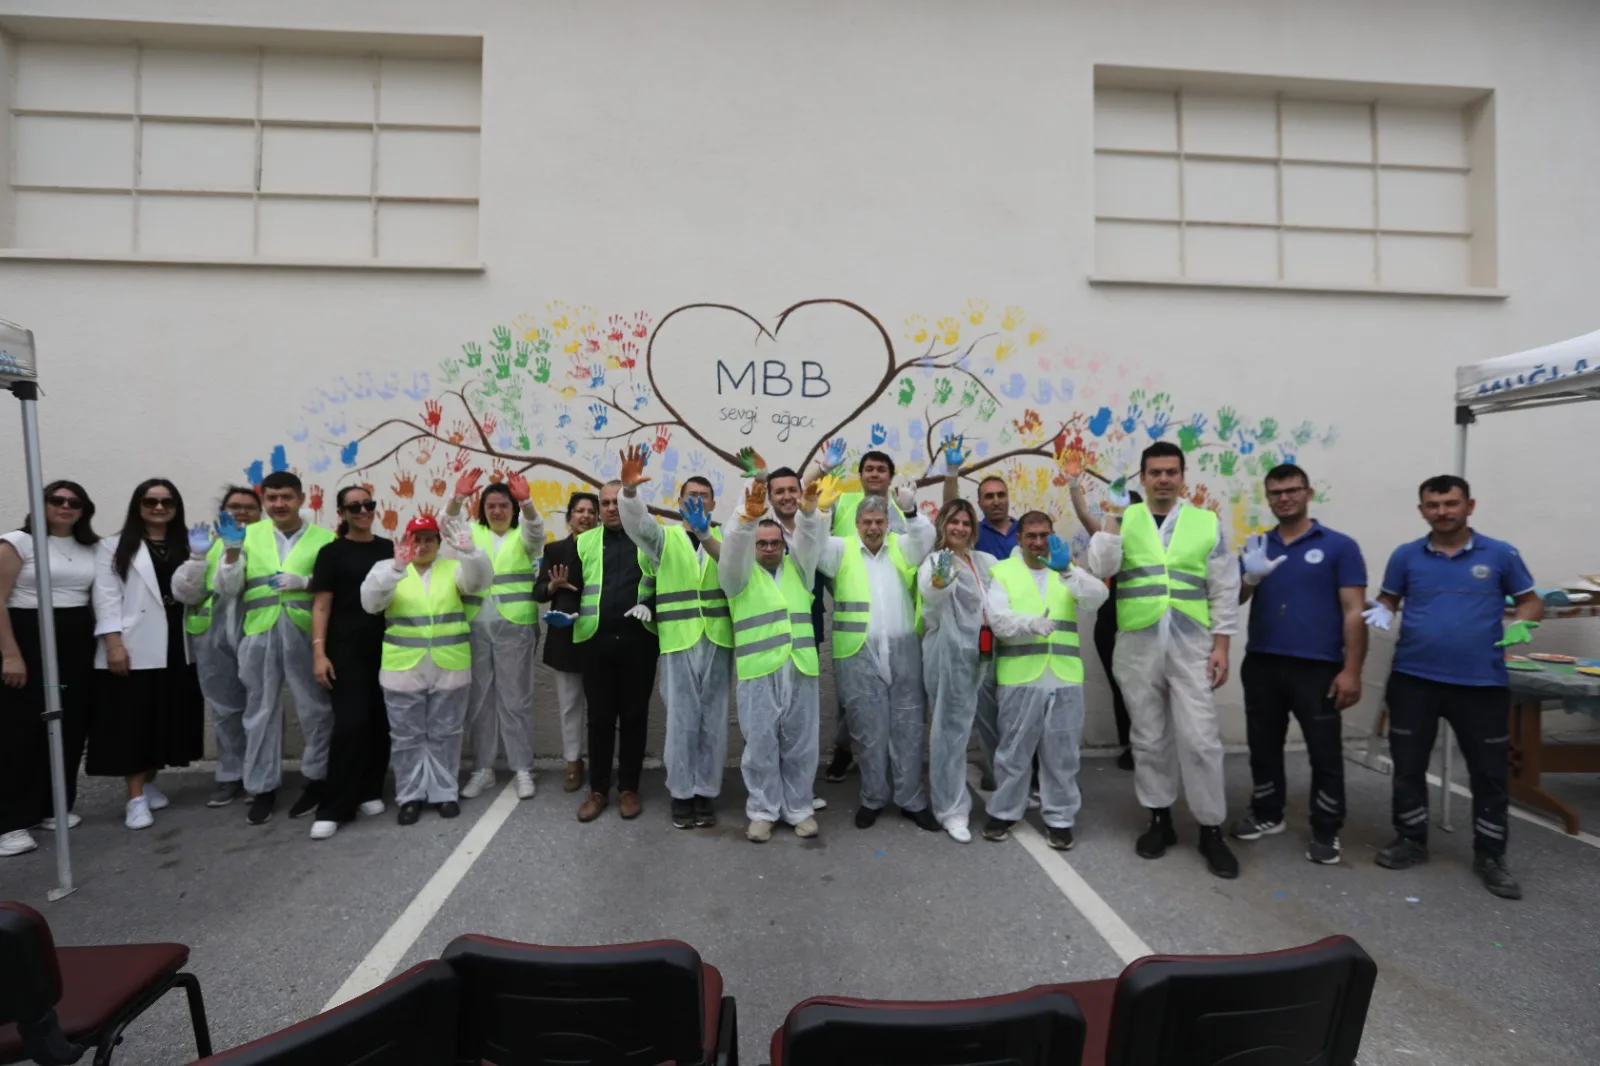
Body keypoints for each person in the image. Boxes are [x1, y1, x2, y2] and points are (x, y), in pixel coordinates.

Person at [1364, 474, 1541, 900]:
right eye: (1433, 505)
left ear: (1469, 506)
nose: (1442, 512)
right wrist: (1381, 610)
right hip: (1414, 680)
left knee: (1489, 773)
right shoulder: (1405, 555)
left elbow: (1530, 601)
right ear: (1422, 510)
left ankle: (1491, 855)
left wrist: (1524, 623)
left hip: (1480, 683)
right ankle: (1410, 839)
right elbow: (1389, 598)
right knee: (1408, 766)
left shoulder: (1500, 554)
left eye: (1450, 503)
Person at [1086, 441, 1241, 879]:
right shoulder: (1126, 517)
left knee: (1201, 738)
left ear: (1182, 476)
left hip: (1192, 645)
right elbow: (1101, 566)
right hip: (1138, 643)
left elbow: (1224, 587)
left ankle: (1211, 829)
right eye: (1155, 472)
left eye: (1171, 471)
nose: (1163, 479)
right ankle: (1160, 820)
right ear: (1143, 477)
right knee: (1149, 737)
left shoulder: (1204, 522)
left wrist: (1222, 646)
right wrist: (1112, 516)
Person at [1230, 464, 1367, 865]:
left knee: (1324, 751)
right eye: (1276, 493)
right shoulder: (1258, 546)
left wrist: (1352, 670)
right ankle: (1267, 813)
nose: (1284, 498)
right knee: (1263, 746)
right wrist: (1249, 578)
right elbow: (1233, 600)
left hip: (1318, 667)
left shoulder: (1340, 546)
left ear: (1308, 493)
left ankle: (1326, 829)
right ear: (1268, 498)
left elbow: (1354, 611)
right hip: (1263, 661)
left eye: (1291, 490)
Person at [214, 471, 336, 826]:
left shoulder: (324, 539)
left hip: (306, 632)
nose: (279, 504)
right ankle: (262, 787)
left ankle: (317, 779)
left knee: (316, 709)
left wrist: (306, 582)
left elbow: (334, 586)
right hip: (259, 631)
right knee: (260, 711)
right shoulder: (247, 536)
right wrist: (231, 552)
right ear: (263, 501)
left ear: (301, 499)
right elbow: (227, 588)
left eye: (286, 497)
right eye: (271, 498)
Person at [617, 448, 730, 829]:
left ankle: (705, 793)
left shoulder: (724, 539)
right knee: (682, 721)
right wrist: (629, 493)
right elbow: (637, 524)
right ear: (679, 503)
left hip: (717, 641)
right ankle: (681, 794)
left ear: (713, 504)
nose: (697, 502)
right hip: (677, 641)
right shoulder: (663, 540)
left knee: (713, 720)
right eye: (690, 496)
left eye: (703, 497)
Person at [983, 512, 1108, 848]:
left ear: (1052, 536)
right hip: (1020, 677)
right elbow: (998, 620)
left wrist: (1068, 572)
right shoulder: (1003, 572)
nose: (1038, 542)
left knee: (1062, 755)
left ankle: (1060, 818)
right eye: (1031, 536)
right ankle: (1004, 811)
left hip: (1064, 676)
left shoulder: (1066, 570)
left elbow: (1097, 597)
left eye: (1044, 535)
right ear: (1019, 539)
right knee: (1013, 753)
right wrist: (1029, 623)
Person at [817, 486, 939, 830]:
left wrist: (911, 512)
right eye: (867, 522)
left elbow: (925, 538)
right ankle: (872, 797)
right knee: (867, 730)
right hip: (857, 653)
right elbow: (810, 547)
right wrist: (817, 513)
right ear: (856, 524)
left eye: (879, 521)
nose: (873, 528)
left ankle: (912, 800)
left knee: (909, 727)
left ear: (888, 523)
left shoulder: (901, 545)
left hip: (903, 651)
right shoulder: (840, 549)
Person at [87, 479, 205, 830]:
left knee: (165, 717)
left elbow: (197, 592)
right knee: (135, 721)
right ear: (138, 506)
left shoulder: (187, 545)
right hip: (134, 642)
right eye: (150, 501)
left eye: (167, 502)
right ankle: (135, 797)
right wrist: (113, 644)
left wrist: (200, 557)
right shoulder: (113, 546)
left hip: (177, 642)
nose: (158, 507)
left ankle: (150, 782)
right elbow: (106, 598)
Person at [361, 513, 492, 824]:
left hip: (450, 664)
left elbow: (479, 582)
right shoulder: (387, 568)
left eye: (429, 538)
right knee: (407, 736)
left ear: (438, 542)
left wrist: (471, 553)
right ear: (405, 541)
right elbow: (371, 603)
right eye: (416, 539)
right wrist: (396, 569)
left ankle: (444, 793)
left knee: (446, 733)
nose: (422, 545)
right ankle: (410, 796)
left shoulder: (453, 568)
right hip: (402, 667)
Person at [718, 478, 825, 842]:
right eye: (761, 543)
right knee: (761, 744)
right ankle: (763, 811)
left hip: (800, 667)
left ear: (784, 545)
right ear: (753, 546)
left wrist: (808, 513)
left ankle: (799, 809)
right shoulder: (737, 577)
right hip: (758, 671)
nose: (768, 548)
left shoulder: (802, 570)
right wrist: (746, 520)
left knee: (801, 744)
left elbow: (810, 540)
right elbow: (732, 550)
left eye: (775, 543)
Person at [1, 482, 99, 857]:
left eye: (74, 502)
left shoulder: (89, 547)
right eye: (57, 500)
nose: (65, 506)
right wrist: (10, 654)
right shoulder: (18, 543)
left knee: (69, 725)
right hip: (27, 636)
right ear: (41, 505)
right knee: (20, 730)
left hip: (75, 640)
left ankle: (52, 806)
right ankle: (10, 821)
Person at [305, 486, 395, 841]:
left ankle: (370, 789)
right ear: (341, 513)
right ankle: (334, 807)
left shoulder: (388, 549)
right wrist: (319, 652)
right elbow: (321, 605)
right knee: (350, 725)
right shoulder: (331, 553)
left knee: (379, 722)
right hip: (345, 650)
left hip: (386, 647)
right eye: (354, 507)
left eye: (368, 505)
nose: (362, 511)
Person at [451, 470, 546, 803]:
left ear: (512, 508)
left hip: (515, 625)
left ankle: (522, 768)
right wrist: (458, 498)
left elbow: (537, 533)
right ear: (482, 509)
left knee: (515, 700)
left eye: (504, 505)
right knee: (479, 700)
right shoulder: (472, 532)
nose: (497, 511)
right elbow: (448, 525)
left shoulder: (522, 535)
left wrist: (528, 502)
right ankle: (483, 769)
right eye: (490, 505)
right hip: (476, 625)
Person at [572, 479, 659, 823]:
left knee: (635, 716)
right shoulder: (584, 542)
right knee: (599, 718)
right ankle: (598, 790)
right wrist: (565, 610)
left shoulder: (649, 539)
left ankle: (629, 788)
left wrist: (651, 605)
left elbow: (667, 581)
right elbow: (572, 586)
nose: (610, 508)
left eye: (616, 502)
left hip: (639, 641)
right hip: (596, 641)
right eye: (605, 503)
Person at [171, 486, 262, 808]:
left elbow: (234, 586)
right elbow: (185, 593)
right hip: (212, 637)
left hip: (254, 631)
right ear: (222, 510)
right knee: (224, 709)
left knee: (260, 707)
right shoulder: (207, 545)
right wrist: (197, 558)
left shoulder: (267, 544)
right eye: (235, 506)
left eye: (250, 507)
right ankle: (230, 774)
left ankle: (259, 776)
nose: (242, 512)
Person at [917, 499, 999, 843]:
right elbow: (933, 594)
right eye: (953, 522)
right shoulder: (936, 561)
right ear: (942, 526)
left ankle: (1005, 792)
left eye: (966, 523)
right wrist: (942, 574)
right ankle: (950, 809)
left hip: (985, 652)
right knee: (949, 732)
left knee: (992, 723)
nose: (960, 528)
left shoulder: (985, 562)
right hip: (948, 655)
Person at [823, 448, 901, 783]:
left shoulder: (902, 507)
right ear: (861, 474)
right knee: (850, 696)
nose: (874, 474)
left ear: (890, 476)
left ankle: (889, 758)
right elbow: (816, 537)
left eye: (881, 469)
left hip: (893, 616)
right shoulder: (842, 502)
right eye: (868, 469)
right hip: (852, 611)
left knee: (893, 692)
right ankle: (844, 749)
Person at [1067, 472, 1140, 771]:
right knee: (1120, 686)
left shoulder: (1155, 549)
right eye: (1121, 513)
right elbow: (1084, 514)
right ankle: (1130, 745)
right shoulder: (1107, 542)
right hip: (1110, 625)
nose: (1125, 519)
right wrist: (1074, 484)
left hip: (1140, 624)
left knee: (1144, 687)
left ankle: (1150, 744)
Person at [535, 492, 598, 792]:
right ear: (569, 517)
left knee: (600, 707)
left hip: (599, 635)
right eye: (579, 510)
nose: (585, 516)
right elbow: (538, 593)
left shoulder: (606, 548)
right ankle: (573, 762)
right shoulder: (555, 550)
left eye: (591, 511)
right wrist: (553, 585)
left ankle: (600, 762)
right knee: (570, 704)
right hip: (565, 638)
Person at [974, 476, 1019, 560]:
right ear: (979, 504)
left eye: (1001, 495)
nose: (996, 502)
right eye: (989, 497)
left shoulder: (1023, 529)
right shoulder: (974, 533)